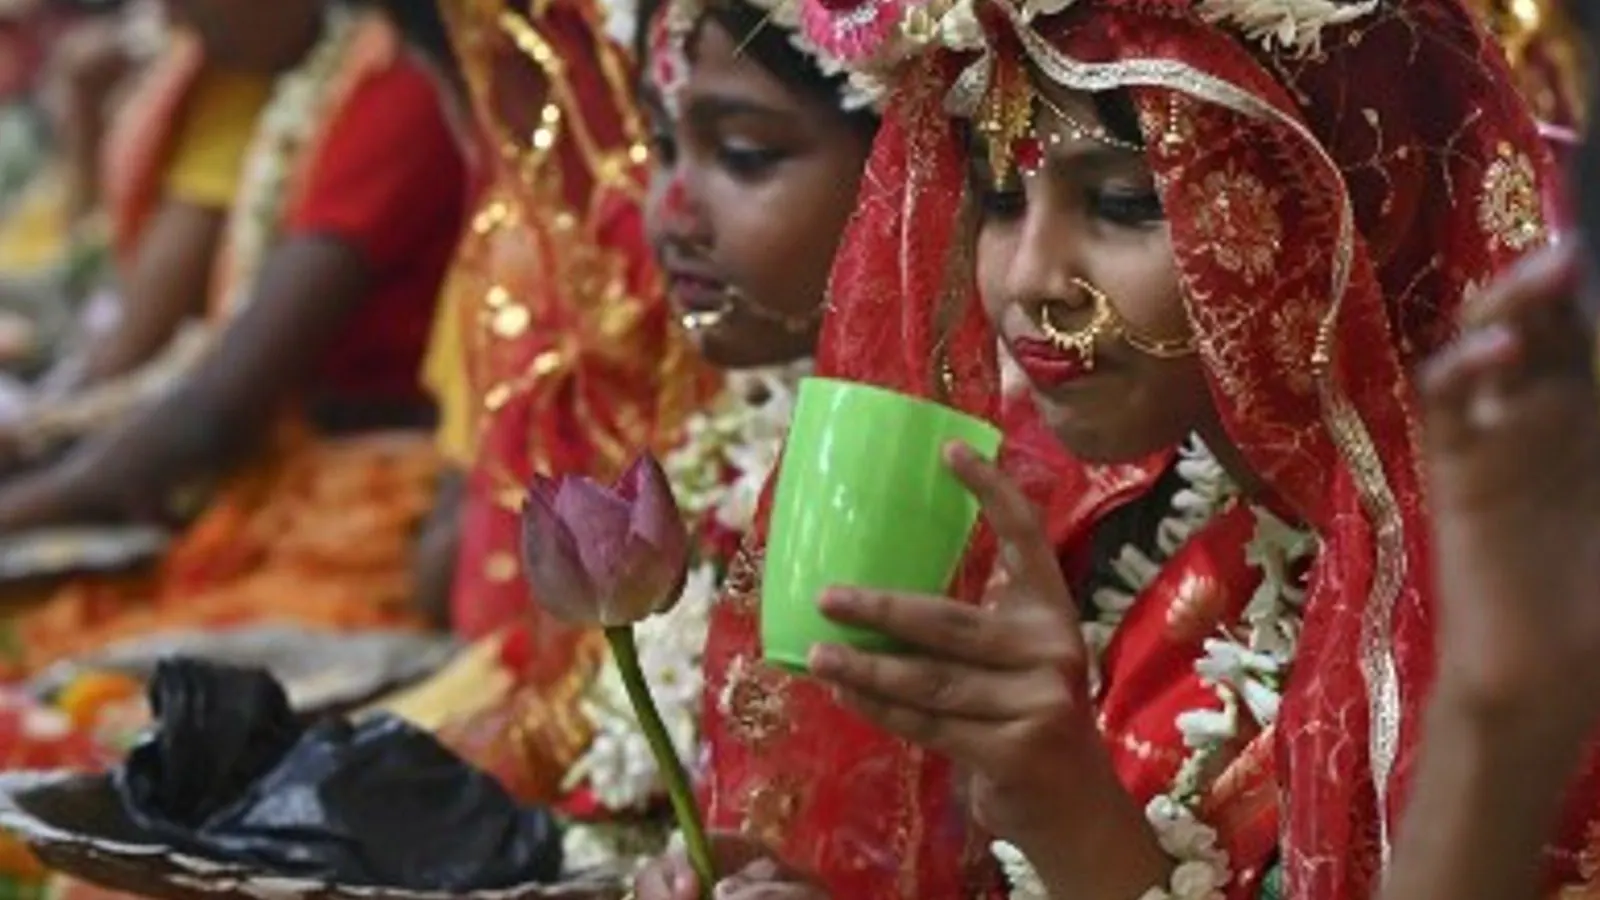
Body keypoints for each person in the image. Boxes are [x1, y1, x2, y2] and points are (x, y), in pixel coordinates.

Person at [636, 0, 1594, 897]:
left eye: (1127, 202)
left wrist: (1072, 817)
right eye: (1001, 196)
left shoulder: (1521, 599)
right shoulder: (1127, 534)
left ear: (1341, 203)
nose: (1029, 279)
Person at [0, 0, 469, 678]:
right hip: (285, 497)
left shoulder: (401, 91)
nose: (168, 18)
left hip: (368, 517)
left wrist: (15, 512)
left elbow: (213, 414)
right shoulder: (338, 74)